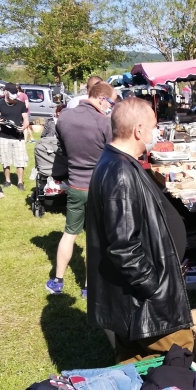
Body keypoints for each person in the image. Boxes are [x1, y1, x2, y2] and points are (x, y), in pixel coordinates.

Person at [87, 97, 192, 362]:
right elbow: (123, 247)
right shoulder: (119, 172)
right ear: (138, 130)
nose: (156, 133)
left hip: (137, 297)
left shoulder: (116, 161)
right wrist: (155, 289)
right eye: (154, 127)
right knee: (178, 355)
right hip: (146, 300)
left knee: (136, 364)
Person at [45, 81, 118, 297]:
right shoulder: (103, 122)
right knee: (94, 239)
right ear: (101, 98)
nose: (110, 107)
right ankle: (88, 286)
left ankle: (57, 280)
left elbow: (63, 149)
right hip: (99, 187)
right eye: (110, 103)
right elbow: (113, 153)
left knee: (69, 233)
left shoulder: (64, 117)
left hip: (75, 185)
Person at [0, 83, 29, 190]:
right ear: (6, 92)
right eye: (12, 92)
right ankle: (7, 181)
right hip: (4, 136)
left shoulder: (21, 104)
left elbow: (26, 120)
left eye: (15, 92)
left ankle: (20, 182)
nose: (14, 95)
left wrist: (24, 126)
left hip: (18, 137)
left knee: (20, 161)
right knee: (5, 160)